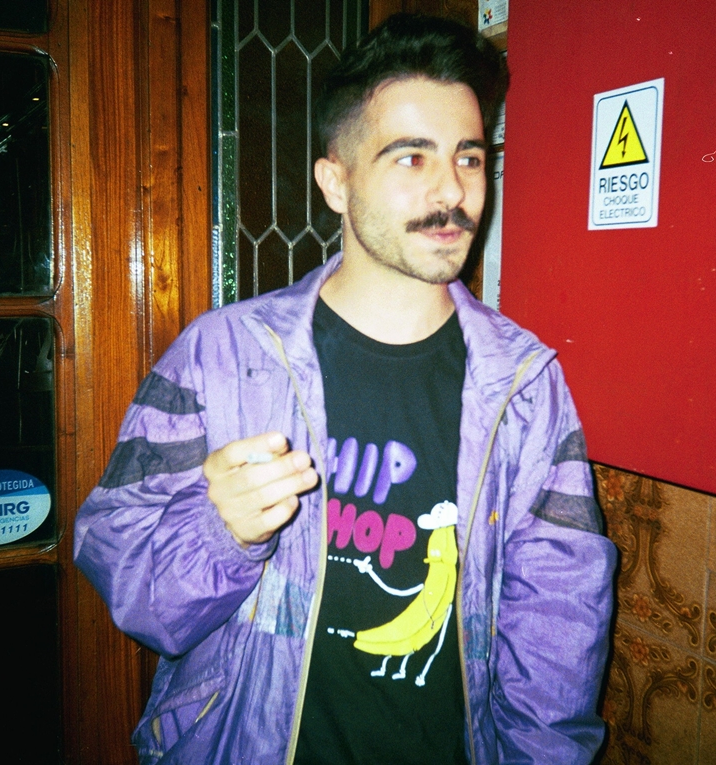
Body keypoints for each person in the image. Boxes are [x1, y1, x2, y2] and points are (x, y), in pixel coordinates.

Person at [74, 13, 617, 765]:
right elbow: (132, 587)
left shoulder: (525, 384)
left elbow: (560, 626)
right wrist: (220, 533)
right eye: (411, 157)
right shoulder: (221, 355)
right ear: (336, 181)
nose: (452, 191)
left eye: (468, 157)